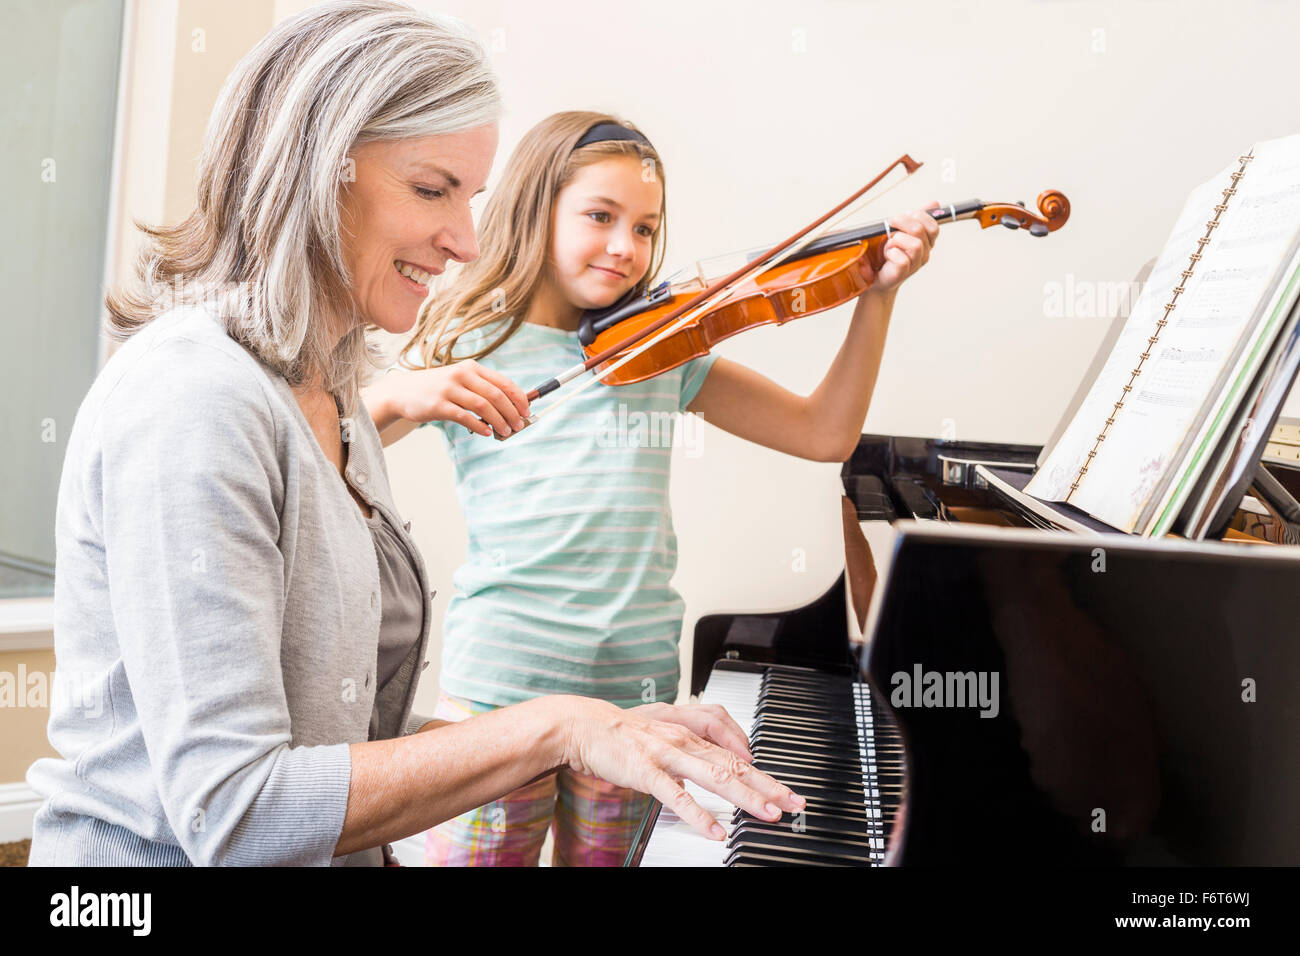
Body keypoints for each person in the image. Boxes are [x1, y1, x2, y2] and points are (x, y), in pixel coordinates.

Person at [24, 0, 801, 868]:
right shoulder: (194, 397)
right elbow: (234, 814)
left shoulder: (333, 390)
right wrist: (557, 725)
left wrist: (601, 728)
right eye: (432, 190)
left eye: (469, 197)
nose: (467, 240)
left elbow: (336, 736)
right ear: (313, 173)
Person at [362, 110, 938, 865]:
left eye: (643, 228)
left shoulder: (665, 348)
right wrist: (408, 392)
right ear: (538, 209)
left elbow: (822, 433)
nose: (625, 247)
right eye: (600, 216)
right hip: (499, 699)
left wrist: (878, 296)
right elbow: (333, 441)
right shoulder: (464, 345)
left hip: (634, 701)